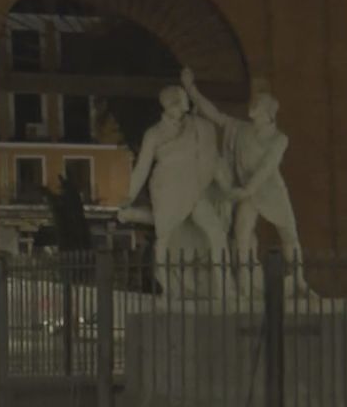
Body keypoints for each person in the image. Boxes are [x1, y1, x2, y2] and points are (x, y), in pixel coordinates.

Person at [181, 68, 306, 293]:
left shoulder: (279, 139)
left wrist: (247, 190)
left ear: (269, 112)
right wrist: (191, 90)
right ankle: (246, 283)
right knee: (241, 234)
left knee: (289, 233)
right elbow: (214, 114)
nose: (253, 104)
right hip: (247, 192)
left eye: (259, 102)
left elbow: (267, 168)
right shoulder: (240, 129)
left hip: (270, 191)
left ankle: (299, 280)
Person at [121, 84, 234, 297]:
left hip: (195, 187)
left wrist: (225, 186)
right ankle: (169, 288)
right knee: (164, 239)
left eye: (183, 99)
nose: (184, 104)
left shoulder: (200, 127)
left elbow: (212, 158)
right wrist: (129, 196)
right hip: (168, 190)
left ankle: (226, 288)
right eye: (180, 100)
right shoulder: (154, 134)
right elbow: (142, 168)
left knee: (216, 233)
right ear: (170, 103)